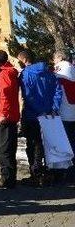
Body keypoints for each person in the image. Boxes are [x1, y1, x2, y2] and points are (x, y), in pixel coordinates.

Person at [18, 49, 59, 186]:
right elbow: (57, 91)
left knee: (33, 144)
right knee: (49, 143)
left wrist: (37, 110)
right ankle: (49, 172)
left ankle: (36, 173)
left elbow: (28, 96)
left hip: (32, 115)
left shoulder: (25, 74)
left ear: (24, 60)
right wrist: (53, 108)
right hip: (49, 114)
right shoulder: (50, 72)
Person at [0, 50, 20, 189]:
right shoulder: (10, 72)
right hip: (10, 116)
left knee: (3, 149)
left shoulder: (4, 74)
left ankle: (7, 179)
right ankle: (9, 177)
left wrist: (2, 114)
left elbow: (4, 96)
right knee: (9, 148)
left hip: (5, 117)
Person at [52, 50, 75, 182]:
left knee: (65, 145)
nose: (53, 60)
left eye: (54, 58)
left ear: (60, 57)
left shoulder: (59, 70)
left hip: (64, 113)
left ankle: (66, 173)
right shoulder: (73, 68)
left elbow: (56, 92)